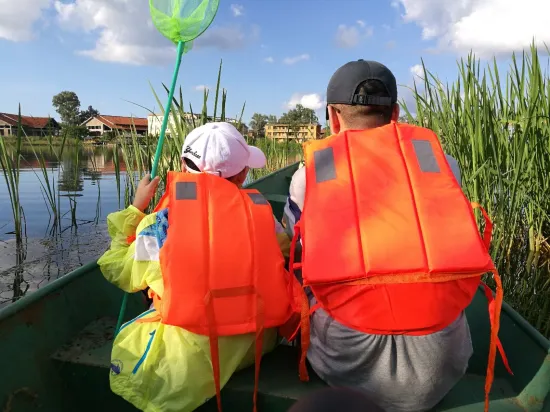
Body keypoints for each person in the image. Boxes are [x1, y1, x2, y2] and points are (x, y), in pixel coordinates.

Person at [283, 60, 508, 412]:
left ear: (333, 117)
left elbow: (294, 254)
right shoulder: (443, 163)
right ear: (397, 113)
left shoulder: (308, 176)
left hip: (347, 366)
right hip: (441, 365)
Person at [98, 122, 297, 412]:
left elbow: (121, 272)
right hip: (257, 344)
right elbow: (283, 255)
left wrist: (135, 212)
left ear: (182, 165)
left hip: (193, 356)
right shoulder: (262, 216)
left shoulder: (161, 225)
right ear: (242, 174)